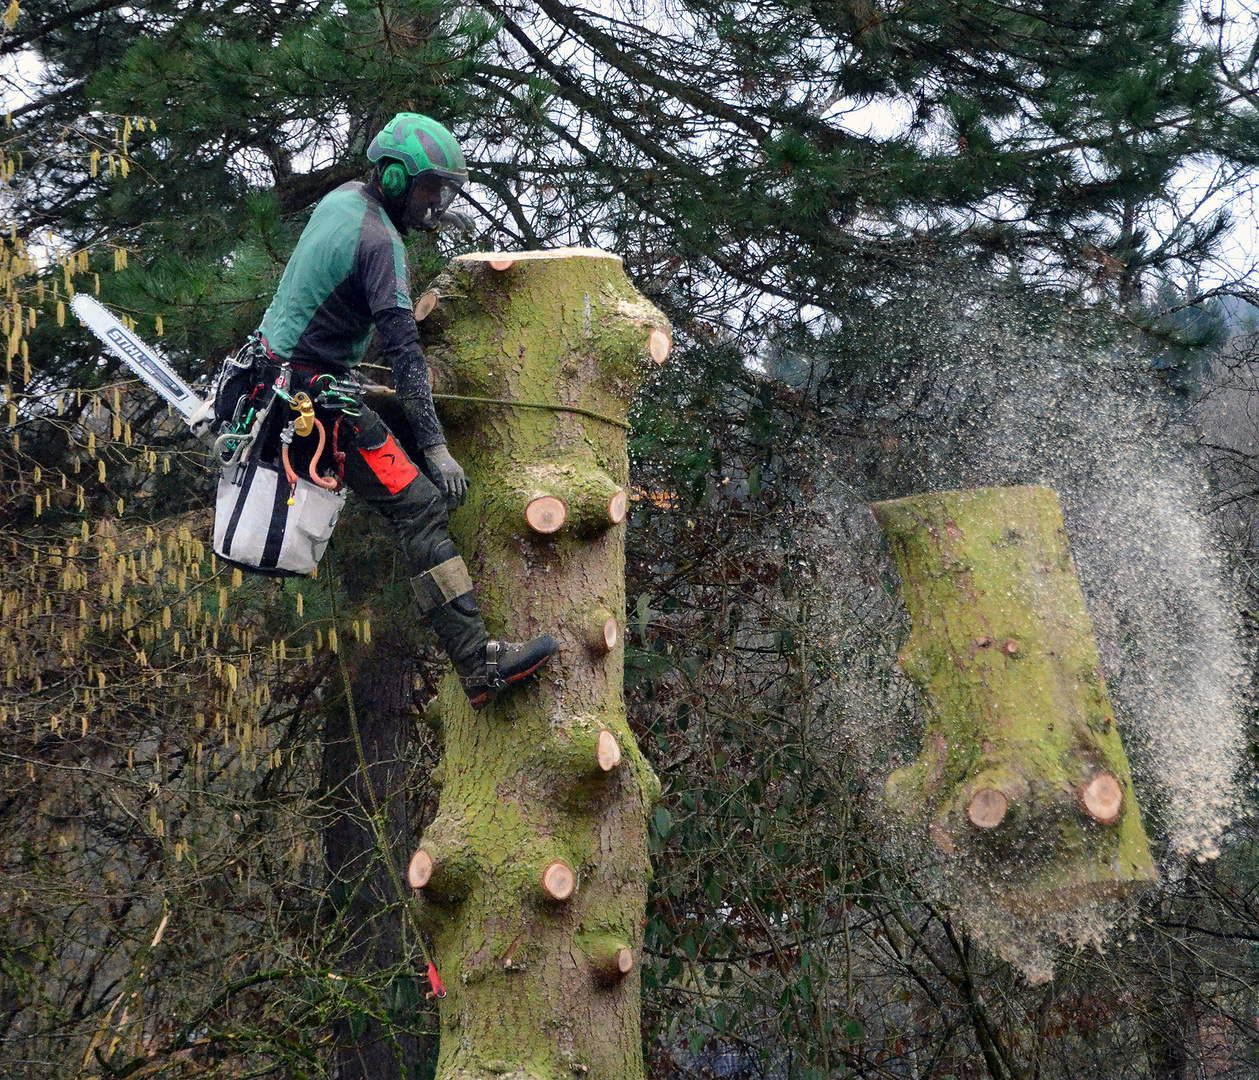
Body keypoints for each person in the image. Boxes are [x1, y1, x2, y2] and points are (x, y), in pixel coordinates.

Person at [230, 112, 556, 709]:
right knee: (421, 506)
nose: (438, 202)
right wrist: (434, 446)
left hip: (277, 377)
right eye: (433, 190)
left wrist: (431, 220)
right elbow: (404, 351)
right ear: (401, 178)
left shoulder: (345, 200)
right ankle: (478, 665)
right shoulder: (381, 243)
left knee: (403, 430)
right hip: (315, 402)